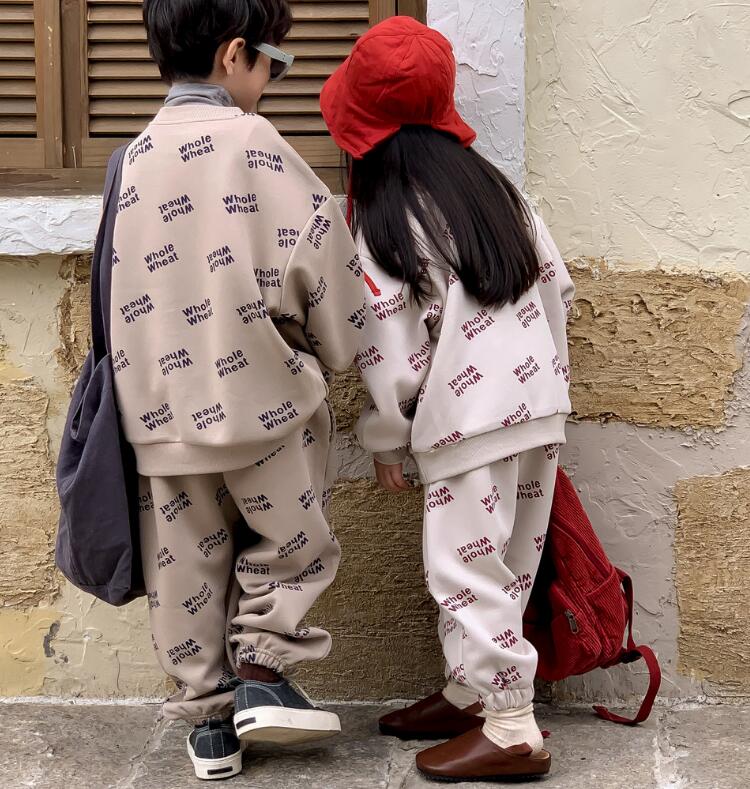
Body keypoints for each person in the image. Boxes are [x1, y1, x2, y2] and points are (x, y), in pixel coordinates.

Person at [111, 0, 365, 779]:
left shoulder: (130, 156)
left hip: (159, 411)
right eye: (272, 62)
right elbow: (318, 253)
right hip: (262, 400)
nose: (272, 79)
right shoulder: (254, 142)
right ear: (233, 54)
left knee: (183, 565)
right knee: (292, 539)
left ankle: (209, 724)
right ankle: (261, 666)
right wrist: (341, 349)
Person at [321, 16, 574, 783]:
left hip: (467, 422)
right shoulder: (497, 192)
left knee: (462, 567)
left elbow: (389, 348)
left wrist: (388, 438)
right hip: (537, 406)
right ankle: (471, 693)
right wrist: (546, 384)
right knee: (507, 564)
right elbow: (558, 289)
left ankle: (511, 726)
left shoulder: (386, 218)